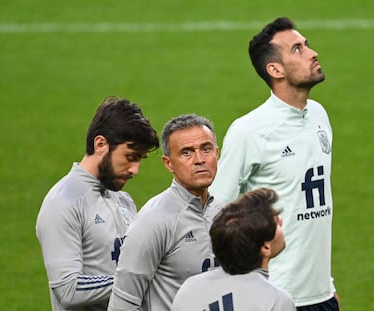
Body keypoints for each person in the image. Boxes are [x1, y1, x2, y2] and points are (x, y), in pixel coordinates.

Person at [210, 17, 340, 310]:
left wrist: (327, 288)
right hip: (272, 296)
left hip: (321, 295)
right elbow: (216, 215)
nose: (312, 52)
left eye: (307, 45)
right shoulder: (249, 131)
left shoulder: (319, 116)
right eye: (297, 49)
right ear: (275, 69)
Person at [35, 96, 159, 311]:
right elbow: (68, 289)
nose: (135, 170)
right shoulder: (63, 203)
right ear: (100, 144)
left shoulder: (123, 200)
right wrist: (138, 279)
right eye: (130, 157)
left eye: (140, 159)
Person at [107, 113, 222, 311]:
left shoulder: (224, 213)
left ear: (217, 154)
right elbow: (123, 304)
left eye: (206, 149)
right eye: (186, 152)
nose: (199, 159)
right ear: (168, 163)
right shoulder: (153, 221)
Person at [172, 188, 295, 311]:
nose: (281, 221)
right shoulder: (276, 300)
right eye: (276, 223)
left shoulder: (189, 289)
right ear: (265, 247)